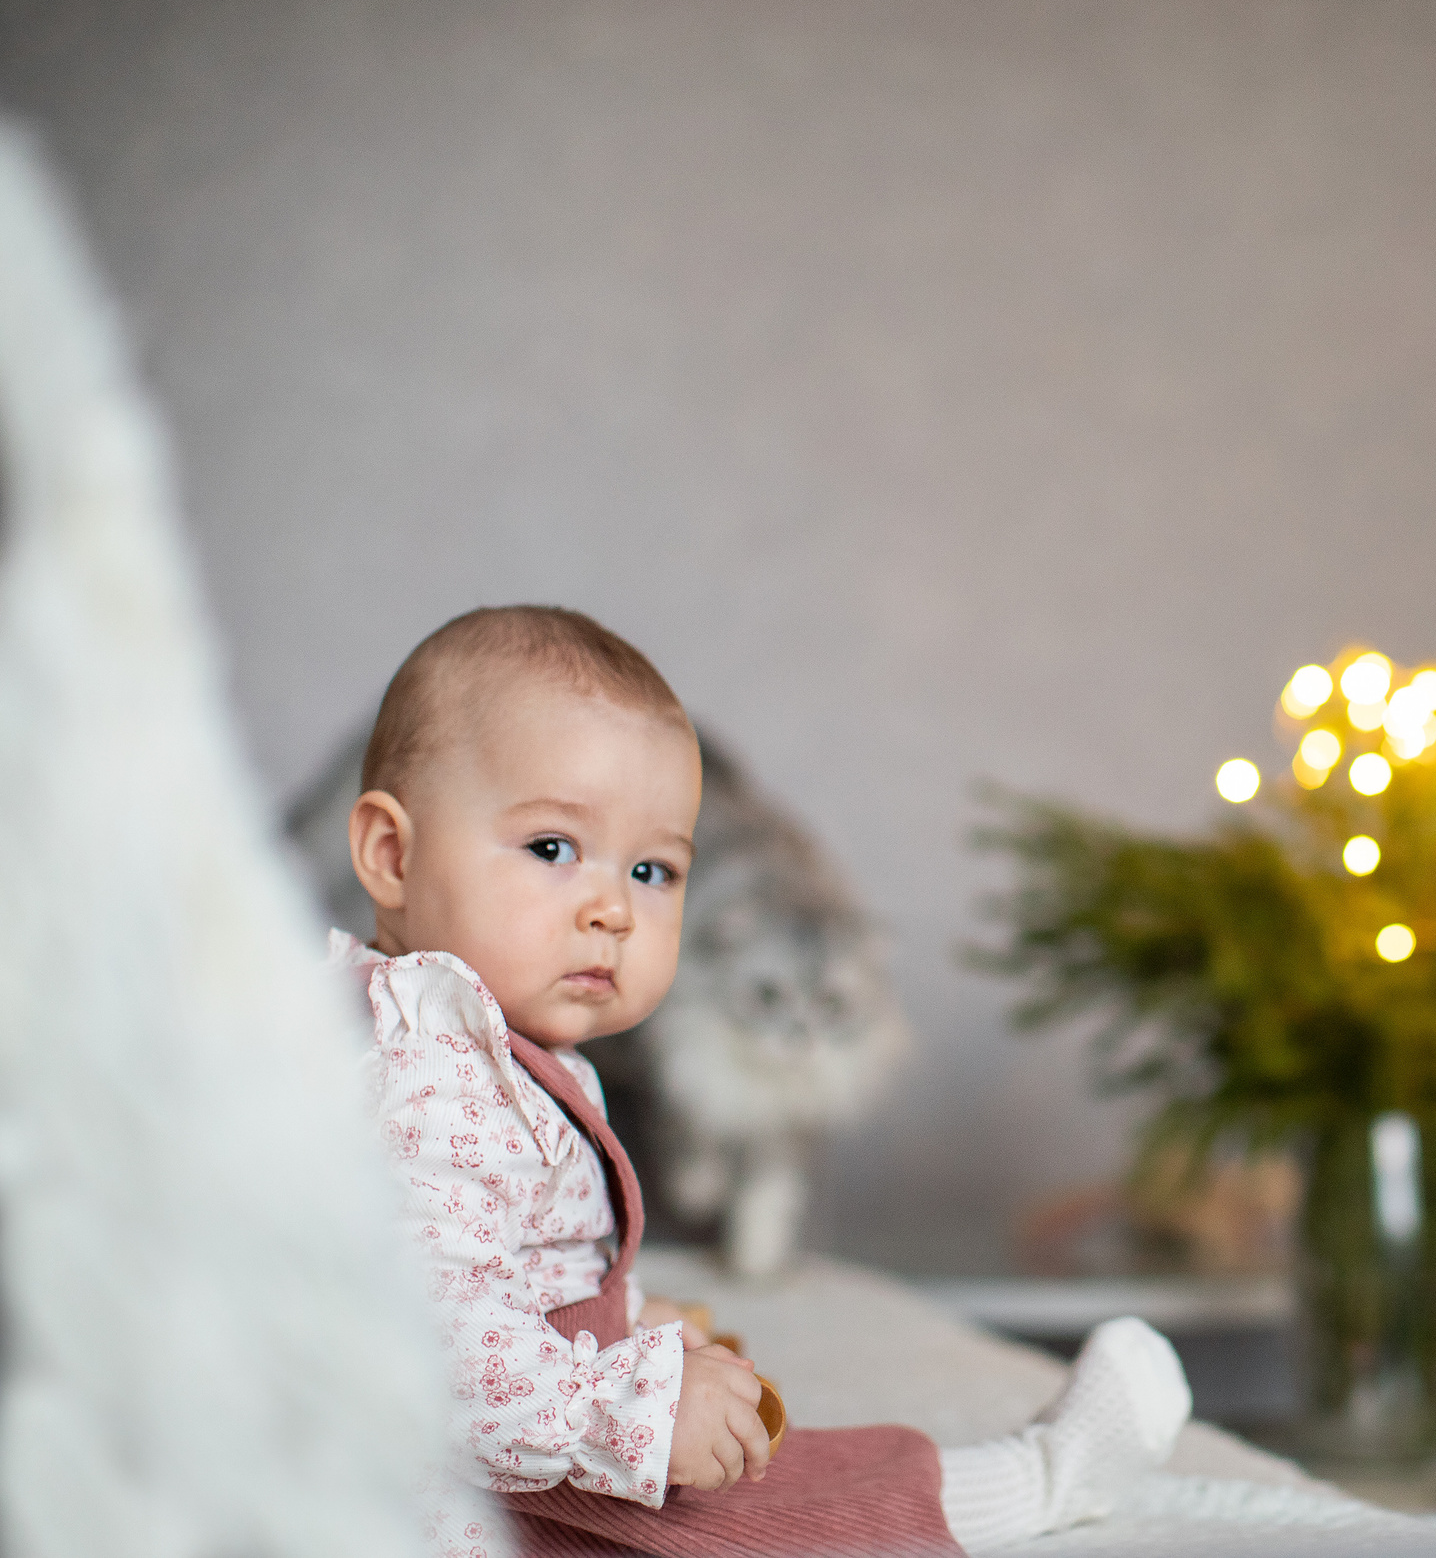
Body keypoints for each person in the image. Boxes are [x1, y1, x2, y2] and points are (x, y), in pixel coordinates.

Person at [341, 605, 1193, 1556]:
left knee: (760, 1460)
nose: (613, 909)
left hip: (515, 1449)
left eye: (654, 869)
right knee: (741, 1516)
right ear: (392, 855)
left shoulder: (478, 1044)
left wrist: (619, 1324)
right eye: (552, 847)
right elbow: (432, 1350)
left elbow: (501, 1276)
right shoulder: (429, 1079)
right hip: (460, 1503)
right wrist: (637, 1411)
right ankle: (1033, 1483)